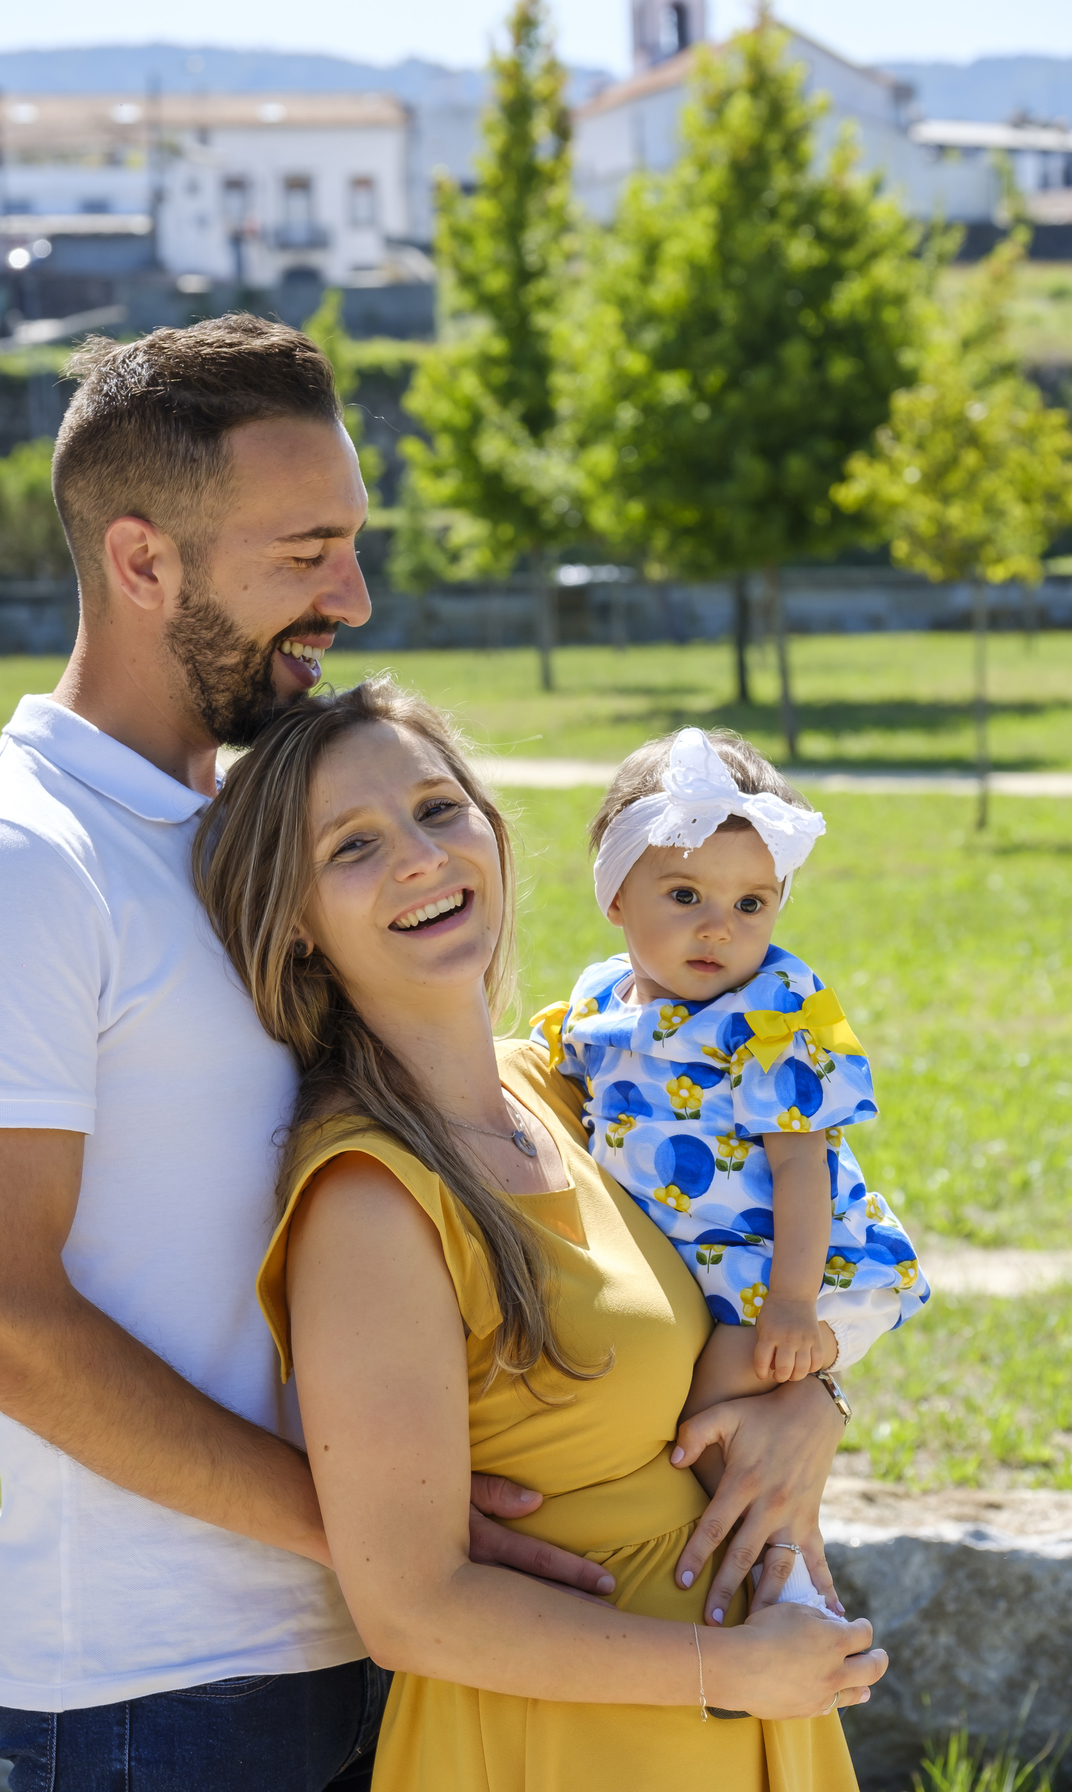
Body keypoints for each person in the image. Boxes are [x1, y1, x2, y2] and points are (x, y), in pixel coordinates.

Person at [0, 316, 608, 1792]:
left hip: (389, 1644)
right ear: (143, 563)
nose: (356, 594)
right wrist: (383, 1530)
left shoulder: (249, 827)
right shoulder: (17, 861)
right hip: (171, 1696)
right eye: (307, 552)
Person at [192, 675, 889, 1792]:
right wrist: (730, 1670)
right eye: (352, 848)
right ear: (297, 926)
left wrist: (812, 1399)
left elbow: (773, 1249)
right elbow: (415, 1611)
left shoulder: (578, 1091)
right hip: (563, 1745)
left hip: (751, 1714)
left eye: (436, 809)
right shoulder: (371, 1199)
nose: (421, 858)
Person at [531, 725, 928, 1607]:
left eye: (753, 904)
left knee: (710, 1396)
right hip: (713, 1267)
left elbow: (803, 1169)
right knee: (692, 1397)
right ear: (616, 900)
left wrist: (790, 1304)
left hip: (797, 1269)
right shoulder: (599, 999)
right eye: (685, 894)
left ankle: (773, 1574)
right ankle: (776, 1564)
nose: (721, 928)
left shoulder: (774, 1008)